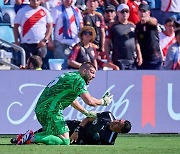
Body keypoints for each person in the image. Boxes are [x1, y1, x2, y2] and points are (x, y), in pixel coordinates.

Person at [16, 62, 113, 145]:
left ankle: (23, 137)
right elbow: (90, 101)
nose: (94, 76)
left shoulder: (70, 75)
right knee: (65, 140)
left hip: (41, 109)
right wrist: (103, 101)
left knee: (54, 135)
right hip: (52, 110)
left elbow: (72, 100)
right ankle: (32, 138)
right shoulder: (79, 80)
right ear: (84, 71)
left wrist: (85, 112)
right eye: (92, 72)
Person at [11, 111, 131, 145]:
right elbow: (88, 118)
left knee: (56, 139)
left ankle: (27, 137)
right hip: (75, 126)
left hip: (77, 141)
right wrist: (77, 130)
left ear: (119, 131)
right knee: (48, 131)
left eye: (118, 124)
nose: (115, 121)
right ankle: (23, 138)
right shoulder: (108, 115)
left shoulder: (109, 140)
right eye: (118, 119)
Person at [105, 4, 142, 70]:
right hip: (119, 60)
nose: (125, 14)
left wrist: (139, 55)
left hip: (132, 60)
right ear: (118, 13)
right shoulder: (113, 27)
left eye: (127, 11)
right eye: (122, 12)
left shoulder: (132, 26)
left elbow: (136, 42)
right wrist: (108, 58)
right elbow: (107, 43)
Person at [49, 0, 83, 69]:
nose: (69, 1)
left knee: (73, 66)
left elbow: (81, 25)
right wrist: (50, 41)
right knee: (62, 66)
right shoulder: (56, 10)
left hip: (75, 43)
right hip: (61, 42)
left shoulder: (76, 10)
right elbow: (51, 26)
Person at [135, 3, 162, 70]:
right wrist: (139, 55)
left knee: (155, 79)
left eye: (144, 11)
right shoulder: (138, 26)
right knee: (144, 79)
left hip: (154, 57)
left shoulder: (151, 23)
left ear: (149, 13)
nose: (142, 13)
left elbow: (154, 21)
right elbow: (137, 41)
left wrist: (147, 19)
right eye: (140, 11)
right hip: (144, 58)